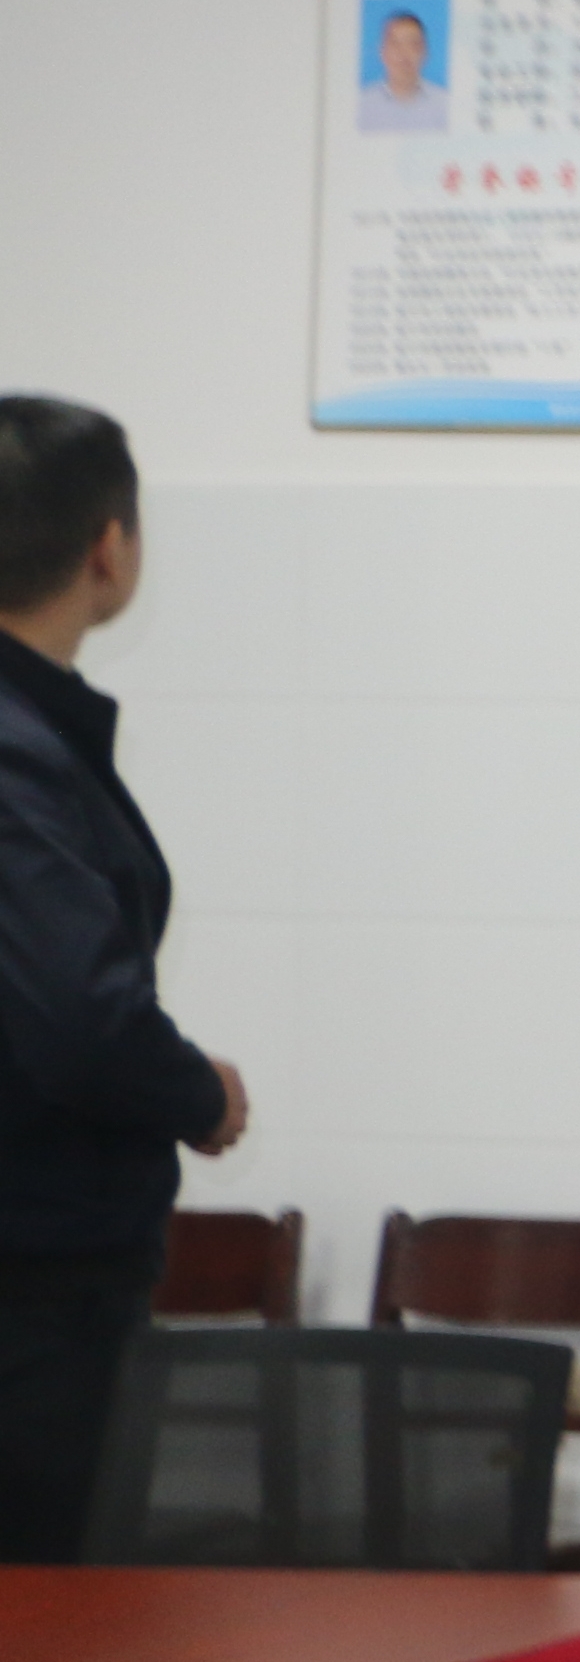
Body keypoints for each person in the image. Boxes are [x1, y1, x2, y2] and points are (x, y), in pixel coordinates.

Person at [0, 398, 248, 1562]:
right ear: (109, 546)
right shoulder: (15, 747)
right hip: (33, 1291)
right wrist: (199, 1092)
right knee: (55, 1630)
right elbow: (82, 1019)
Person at [358, 5, 445, 132]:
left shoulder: (445, 104)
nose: (404, 54)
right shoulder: (361, 104)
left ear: (425, 52)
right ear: (382, 52)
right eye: (396, 44)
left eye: (413, 45)